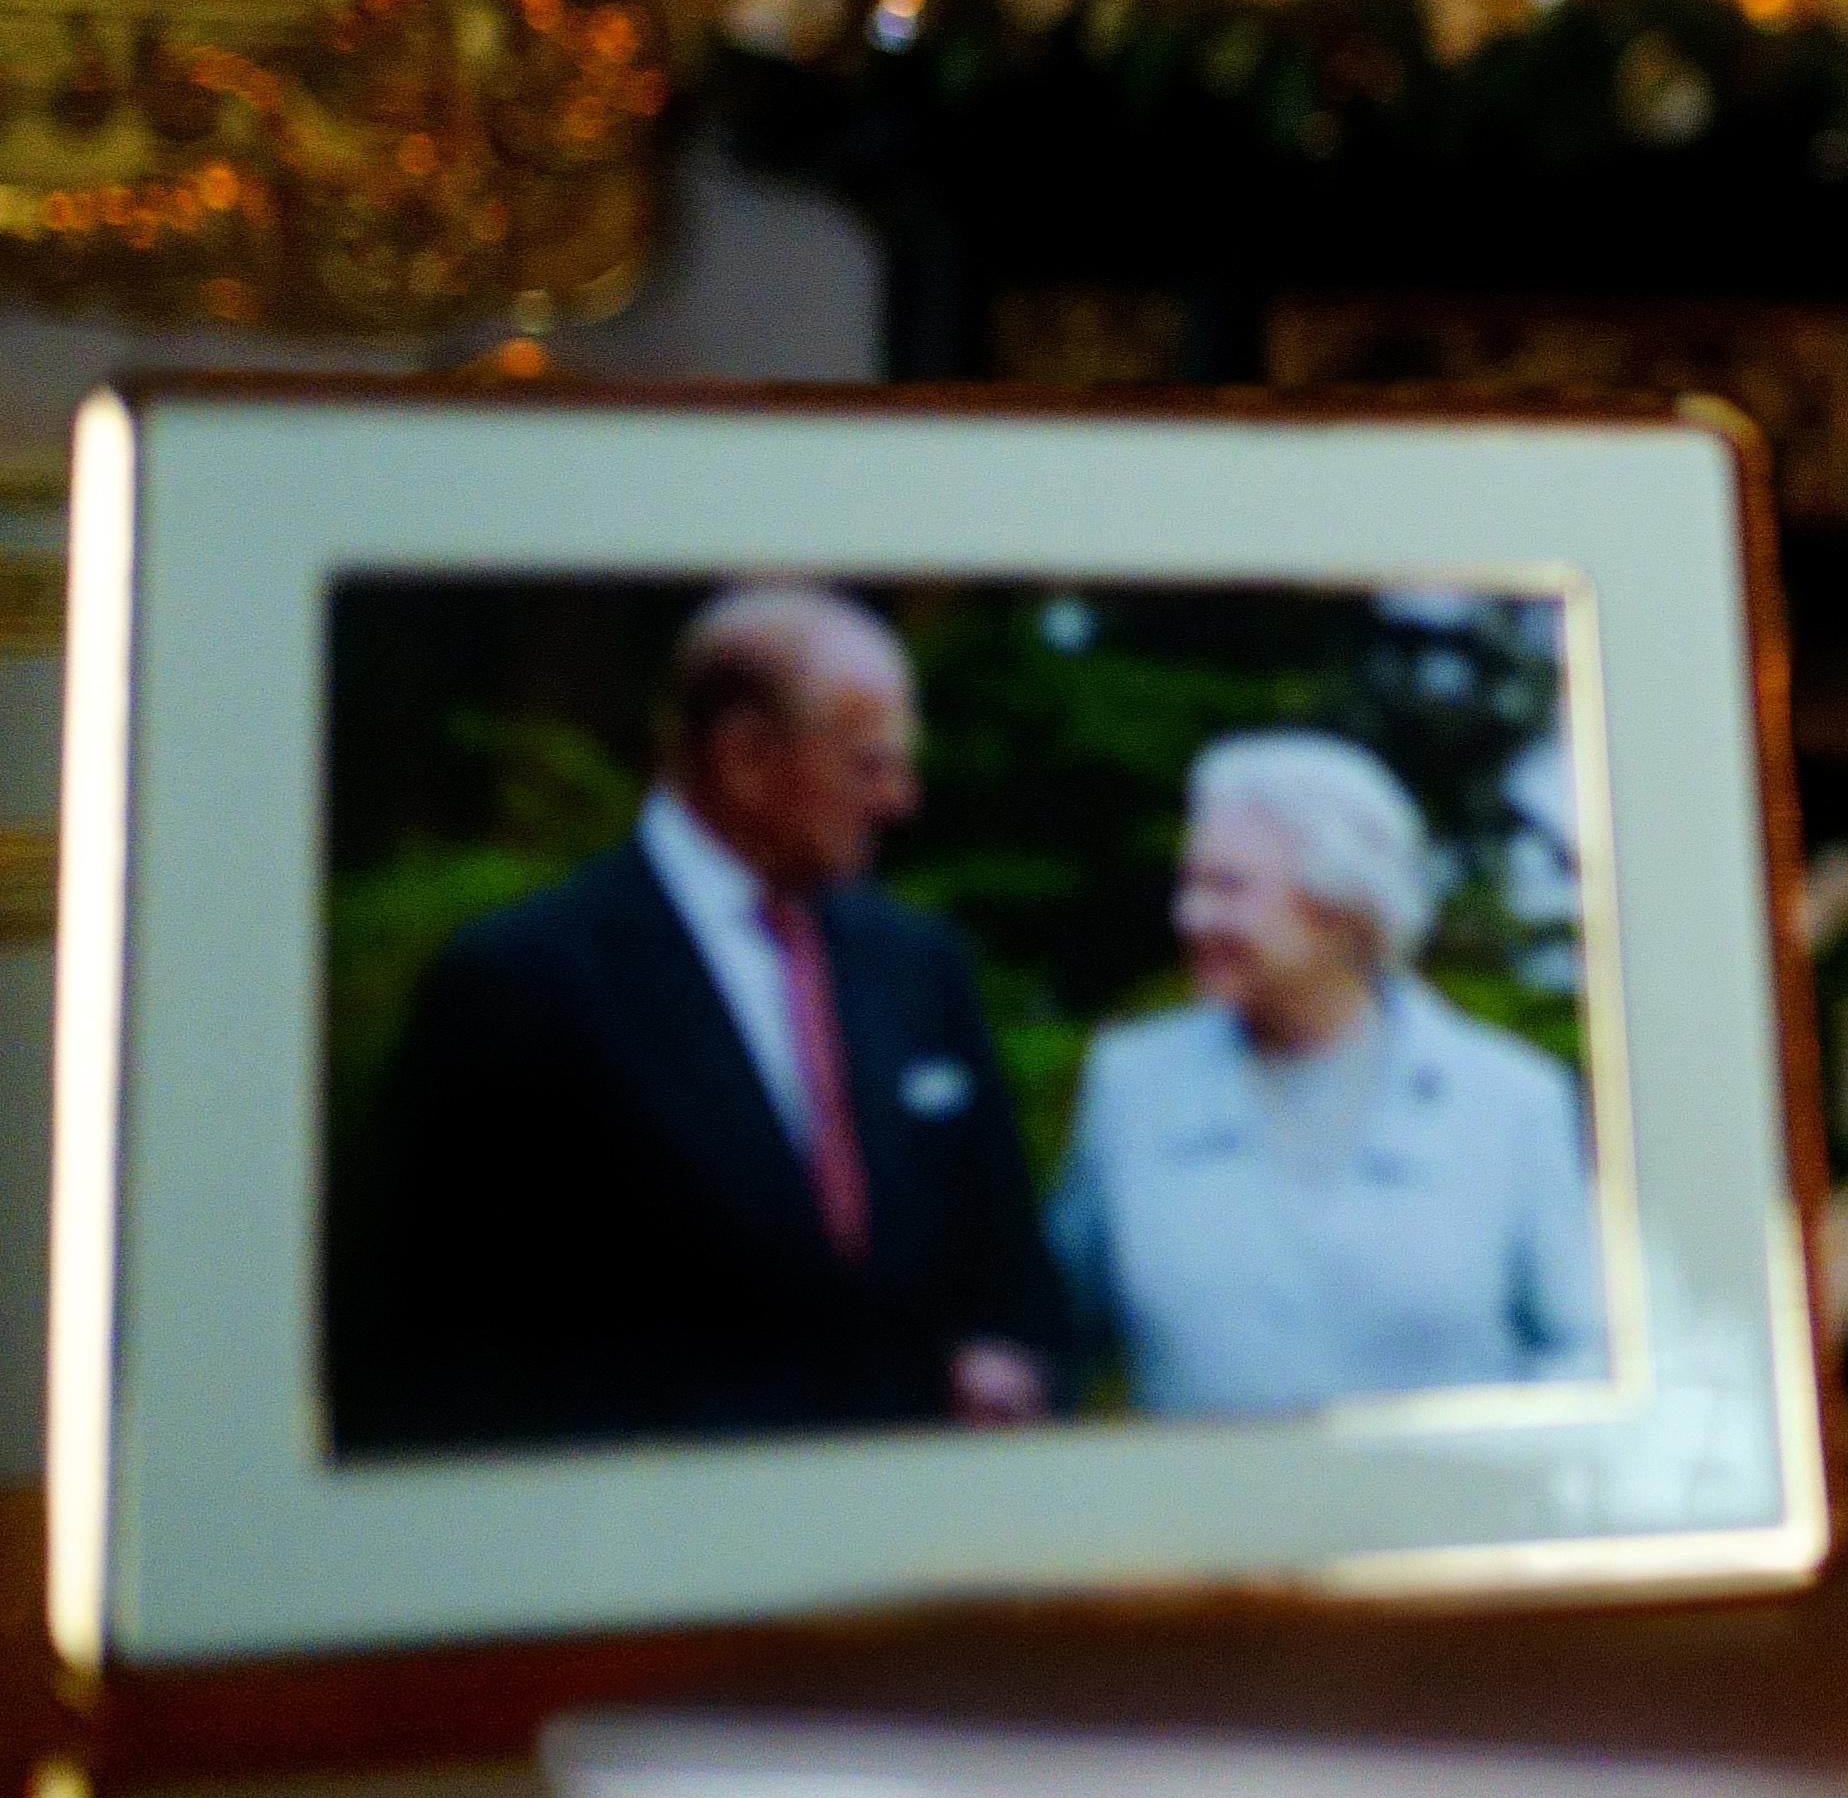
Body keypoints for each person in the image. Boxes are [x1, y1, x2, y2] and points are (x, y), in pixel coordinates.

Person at [336, 585, 1061, 1451]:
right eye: (868, 763)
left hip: (906, 1534)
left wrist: (1006, 1356)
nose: (899, 800)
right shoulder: (523, 981)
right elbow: (419, 1339)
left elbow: (1009, 1259)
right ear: (745, 756)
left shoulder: (918, 965)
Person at [1052, 729, 1607, 1416]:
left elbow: (1584, 1351)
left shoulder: (1511, 1099)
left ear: (1342, 910)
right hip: (1197, 1521)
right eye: (1189, 885)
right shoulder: (1131, 1086)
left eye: (1227, 888)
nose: (1190, 917)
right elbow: (1051, 1340)